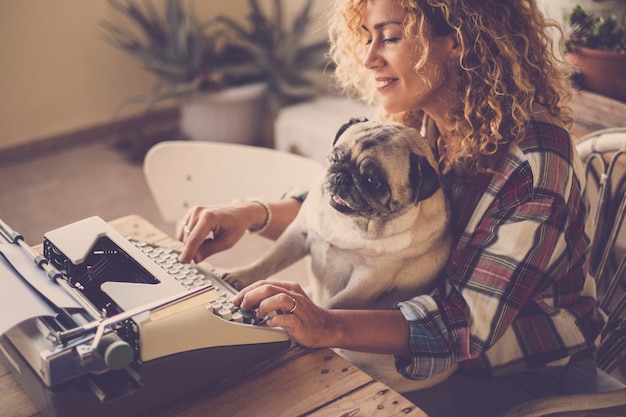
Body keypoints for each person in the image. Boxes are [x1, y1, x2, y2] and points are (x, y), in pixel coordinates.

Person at [177, 1, 607, 416]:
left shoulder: (534, 162)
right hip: (428, 355)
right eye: (367, 37)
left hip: (526, 374)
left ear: (457, 39)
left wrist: (328, 324)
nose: (367, 59)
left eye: (391, 37)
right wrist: (250, 214)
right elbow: (356, 213)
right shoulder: (419, 120)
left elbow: (465, 327)